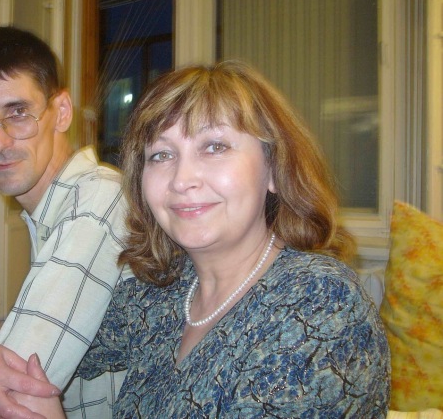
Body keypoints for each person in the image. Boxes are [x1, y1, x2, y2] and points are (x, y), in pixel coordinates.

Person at [21, 61, 391, 417]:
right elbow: (56, 337)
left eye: (215, 146)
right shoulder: (162, 293)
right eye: (162, 155)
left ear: (273, 169)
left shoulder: (321, 303)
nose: (182, 179)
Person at [0, 26, 131, 419]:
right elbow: (39, 326)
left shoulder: (97, 200)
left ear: (61, 112)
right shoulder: (54, 210)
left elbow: (15, 390)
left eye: (17, 113)